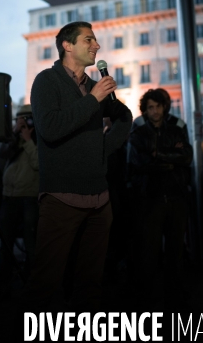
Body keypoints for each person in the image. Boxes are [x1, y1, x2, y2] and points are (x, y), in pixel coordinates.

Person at [22, 21, 132, 312]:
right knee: (46, 280)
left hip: (100, 199)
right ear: (67, 46)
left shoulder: (96, 86)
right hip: (62, 198)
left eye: (95, 41)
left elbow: (125, 116)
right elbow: (50, 128)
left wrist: (103, 150)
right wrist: (92, 101)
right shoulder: (47, 81)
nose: (96, 46)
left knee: (91, 281)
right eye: (89, 40)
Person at [128, 88, 193, 308]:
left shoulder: (176, 129)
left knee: (176, 251)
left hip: (176, 196)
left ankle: (174, 296)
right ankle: (149, 298)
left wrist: (158, 156)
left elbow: (186, 156)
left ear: (165, 106)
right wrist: (170, 159)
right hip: (151, 198)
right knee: (149, 252)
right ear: (145, 110)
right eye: (150, 107)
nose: (155, 111)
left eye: (158, 106)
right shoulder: (138, 134)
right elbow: (137, 164)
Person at [0, 104, 39, 295]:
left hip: (29, 196)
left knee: (31, 242)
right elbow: (1, 154)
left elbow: (39, 164)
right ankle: (3, 283)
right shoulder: (13, 139)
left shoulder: (40, 139)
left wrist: (29, 140)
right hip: (9, 196)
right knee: (5, 243)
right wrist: (15, 135)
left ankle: (32, 284)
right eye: (19, 120)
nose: (23, 124)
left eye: (26, 120)